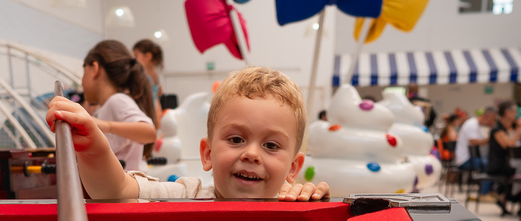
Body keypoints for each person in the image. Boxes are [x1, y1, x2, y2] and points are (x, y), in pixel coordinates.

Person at [45, 66, 330, 201]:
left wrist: (314, 200)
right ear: (207, 154)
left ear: (293, 168)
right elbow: (115, 190)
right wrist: (93, 147)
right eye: (236, 139)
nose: (251, 154)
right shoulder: (187, 196)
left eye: (271, 145)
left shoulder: (293, 205)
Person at [81, 40, 157, 173]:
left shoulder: (117, 100)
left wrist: (106, 125)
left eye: (84, 71)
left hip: (128, 184)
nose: (82, 80)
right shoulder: (108, 105)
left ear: (94, 69)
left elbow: (148, 131)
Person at [487, 101, 521, 214]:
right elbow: (509, 145)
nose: (516, 114)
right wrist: (518, 128)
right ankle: (507, 198)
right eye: (514, 111)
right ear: (507, 112)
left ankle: (511, 200)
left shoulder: (505, 128)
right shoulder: (497, 129)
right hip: (497, 164)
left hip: (505, 163)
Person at [456, 107, 496, 197]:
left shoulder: (478, 125)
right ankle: (484, 193)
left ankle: (489, 191)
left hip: (470, 157)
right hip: (465, 159)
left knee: (491, 163)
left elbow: (483, 141)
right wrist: (490, 139)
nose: (492, 122)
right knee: (489, 165)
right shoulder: (472, 124)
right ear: (487, 116)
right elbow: (473, 142)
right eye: (492, 119)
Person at [132, 39, 165, 120]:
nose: (133, 59)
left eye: (136, 55)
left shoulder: (143, 76)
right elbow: (160, 93)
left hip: (143, 111)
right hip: (152, 111)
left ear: (148, 56)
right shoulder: (156, 75)